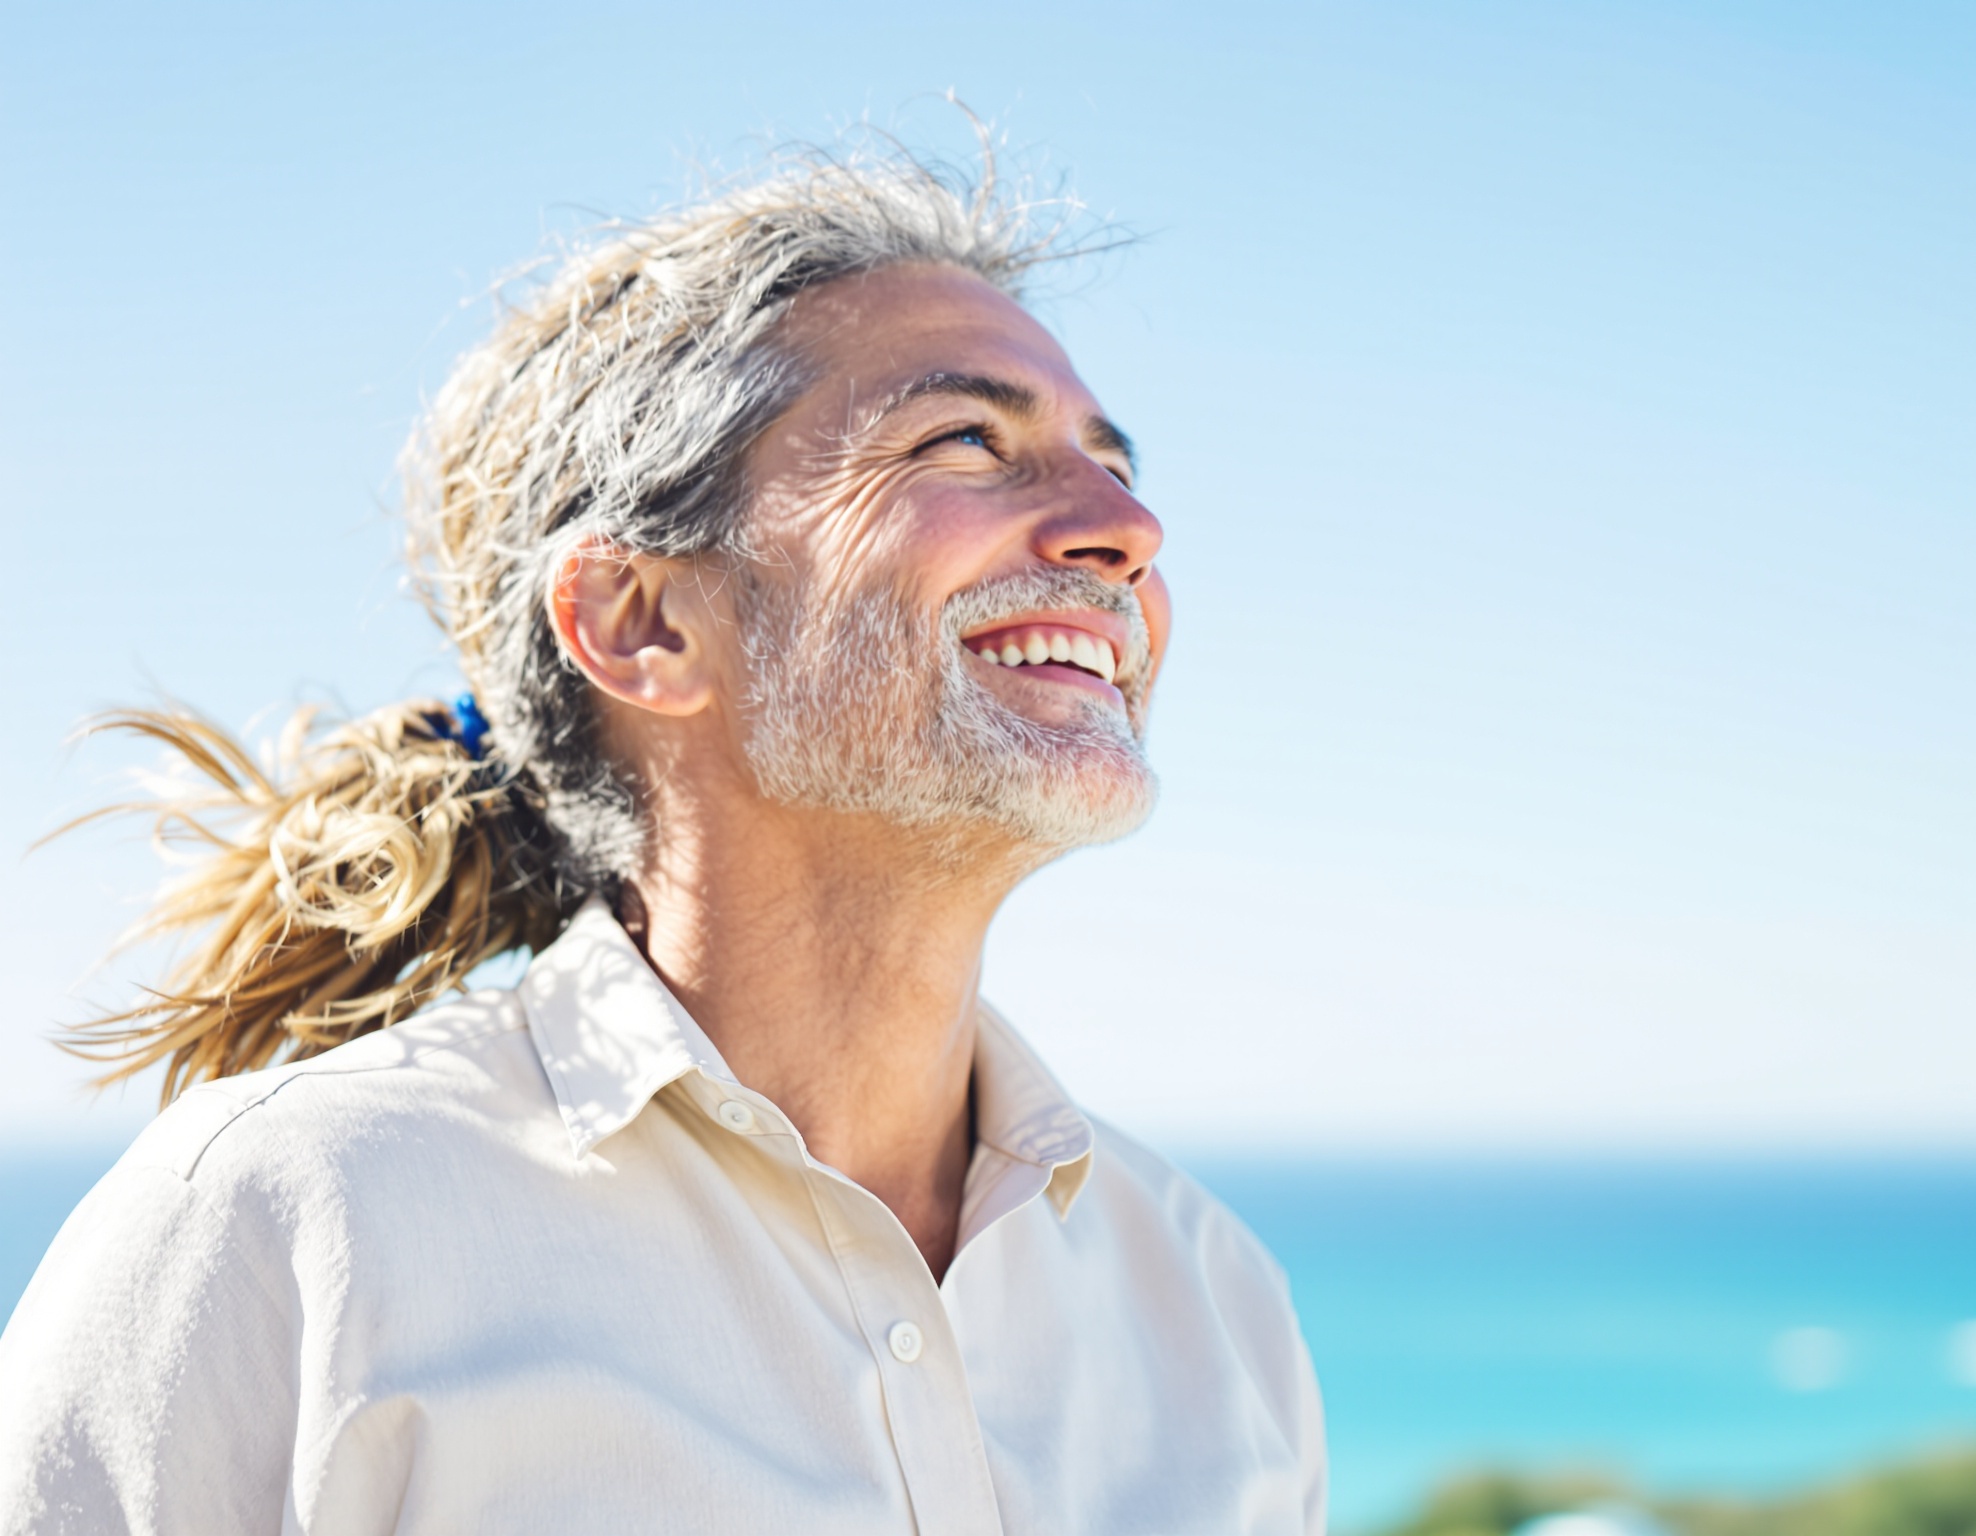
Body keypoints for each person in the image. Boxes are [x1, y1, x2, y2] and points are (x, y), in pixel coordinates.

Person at [0, 147, 1325, 1535]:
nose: (1128, 528)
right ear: (641, 621)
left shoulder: (1215, 1303)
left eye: (1113, 467)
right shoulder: (288, 1226)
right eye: (966, 443)